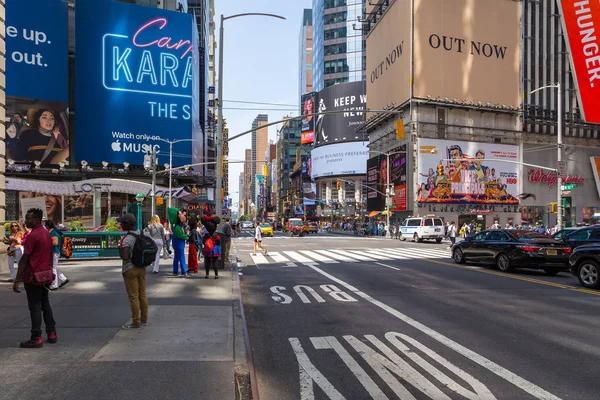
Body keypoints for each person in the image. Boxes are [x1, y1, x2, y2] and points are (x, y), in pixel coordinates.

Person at [13, 208, 57, 348]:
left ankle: (36, 337)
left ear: (37, 220)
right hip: (45, 275)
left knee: (35, 307)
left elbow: (25, 258)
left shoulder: (33, 236)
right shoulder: (45, 234)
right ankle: (52, 333)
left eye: (29, 218)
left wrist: (16, 279)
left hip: (33, 276)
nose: (26, 221)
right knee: (45, 303)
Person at [117, 213, 149, 329]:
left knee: (133, 297)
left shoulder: (127, 239)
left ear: (126, 224)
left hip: (130, 269)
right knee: (142, 294)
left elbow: (125, 257)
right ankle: (144, 319)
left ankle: (136, 321)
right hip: (142, 268)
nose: (120, 224)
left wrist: (119, 249)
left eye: (122, 223)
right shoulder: (142, 233)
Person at [45, 220, 69, 290]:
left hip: (54, 252)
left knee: (53, 268)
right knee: (53, 267)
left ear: (47, 226)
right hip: (55, 252)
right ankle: (63, 278)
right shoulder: (54, 232)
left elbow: (55, 242)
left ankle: (54, 285)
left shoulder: (53, 233)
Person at [201, 205, 221, 279]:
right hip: (215, 249)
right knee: (214, 262)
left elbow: (203, 242)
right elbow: (219, 242)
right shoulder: (216, 235)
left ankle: (207, 274)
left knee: (207, 262)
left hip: (207, 250)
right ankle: (216, 275)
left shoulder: (206, 235)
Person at [168, 208, 189, 276]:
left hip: (176, 244)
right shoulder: (177, 227)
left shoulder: (176, 227)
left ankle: (175, 271)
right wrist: (186, 236)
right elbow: (180, 235)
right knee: (182, 258)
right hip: (179, 244)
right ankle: (184, 271)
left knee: (176, 258)